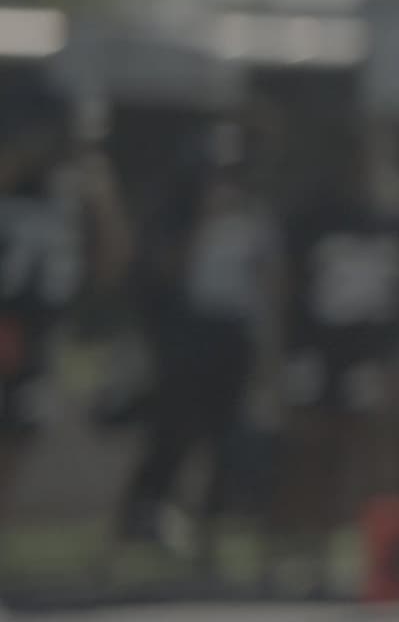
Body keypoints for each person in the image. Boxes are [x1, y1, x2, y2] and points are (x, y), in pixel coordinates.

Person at [116, 122, 282, 577]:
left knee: (227, 441)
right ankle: (139, 526)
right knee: (172, 436)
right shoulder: (176, 215)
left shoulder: (254, 215)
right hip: (187, 336)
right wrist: (203, 221)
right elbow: (162, 273)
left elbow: (268, 281)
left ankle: (208, 537)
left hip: (235, 338)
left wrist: (269, 347)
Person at [264, 125, 399, 596]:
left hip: (371, 351)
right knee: (310, 452)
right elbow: (284, 287)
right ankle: (298, 551)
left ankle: (371, 558)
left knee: (372, 456)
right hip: (316, 349)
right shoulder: (311, 215)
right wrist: (276, 356)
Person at [0, 77, 130, 537]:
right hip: (6, 321)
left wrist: (100, 191)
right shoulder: (16, 179)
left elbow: (110, 263)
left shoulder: (74, 189)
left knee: (18, 435)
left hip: (38, 331)